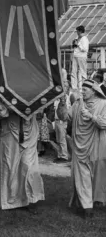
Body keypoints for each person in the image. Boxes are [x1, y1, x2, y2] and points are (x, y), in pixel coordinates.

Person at [57, 79, 106, 219]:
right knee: (82, 175)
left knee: (96, 176)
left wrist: (91, 117)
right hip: (78, 146)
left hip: (96, 145)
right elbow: (65, 117)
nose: (82, 92)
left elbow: (104, 124)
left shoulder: (103, 104)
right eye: (81, 89)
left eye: (85, 90)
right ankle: (87, 207)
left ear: (94, 90)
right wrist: (61, 104)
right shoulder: (78, 103)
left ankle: (93, 201)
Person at [0, 98, 45, 213]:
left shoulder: (33, 91)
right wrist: (12, 107)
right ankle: (11, 200)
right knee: (10, 167)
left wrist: (31, 106)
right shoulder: (1, 93)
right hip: (10, 133)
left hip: (29, 131)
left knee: (29, 166)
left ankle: (31, 199)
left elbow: (40, 112)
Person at [71, 25, 89, 90]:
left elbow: (85, 49)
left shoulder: (84, 38)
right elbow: (75, 48)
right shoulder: (78, 38)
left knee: (83, 72)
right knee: (73, 72)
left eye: (77, 31)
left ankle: (84, 87)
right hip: (75, 55)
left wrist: (78, 44)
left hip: (81, 56)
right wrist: (74, 45)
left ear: (80, 31)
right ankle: (74, 87)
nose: (77, 32)